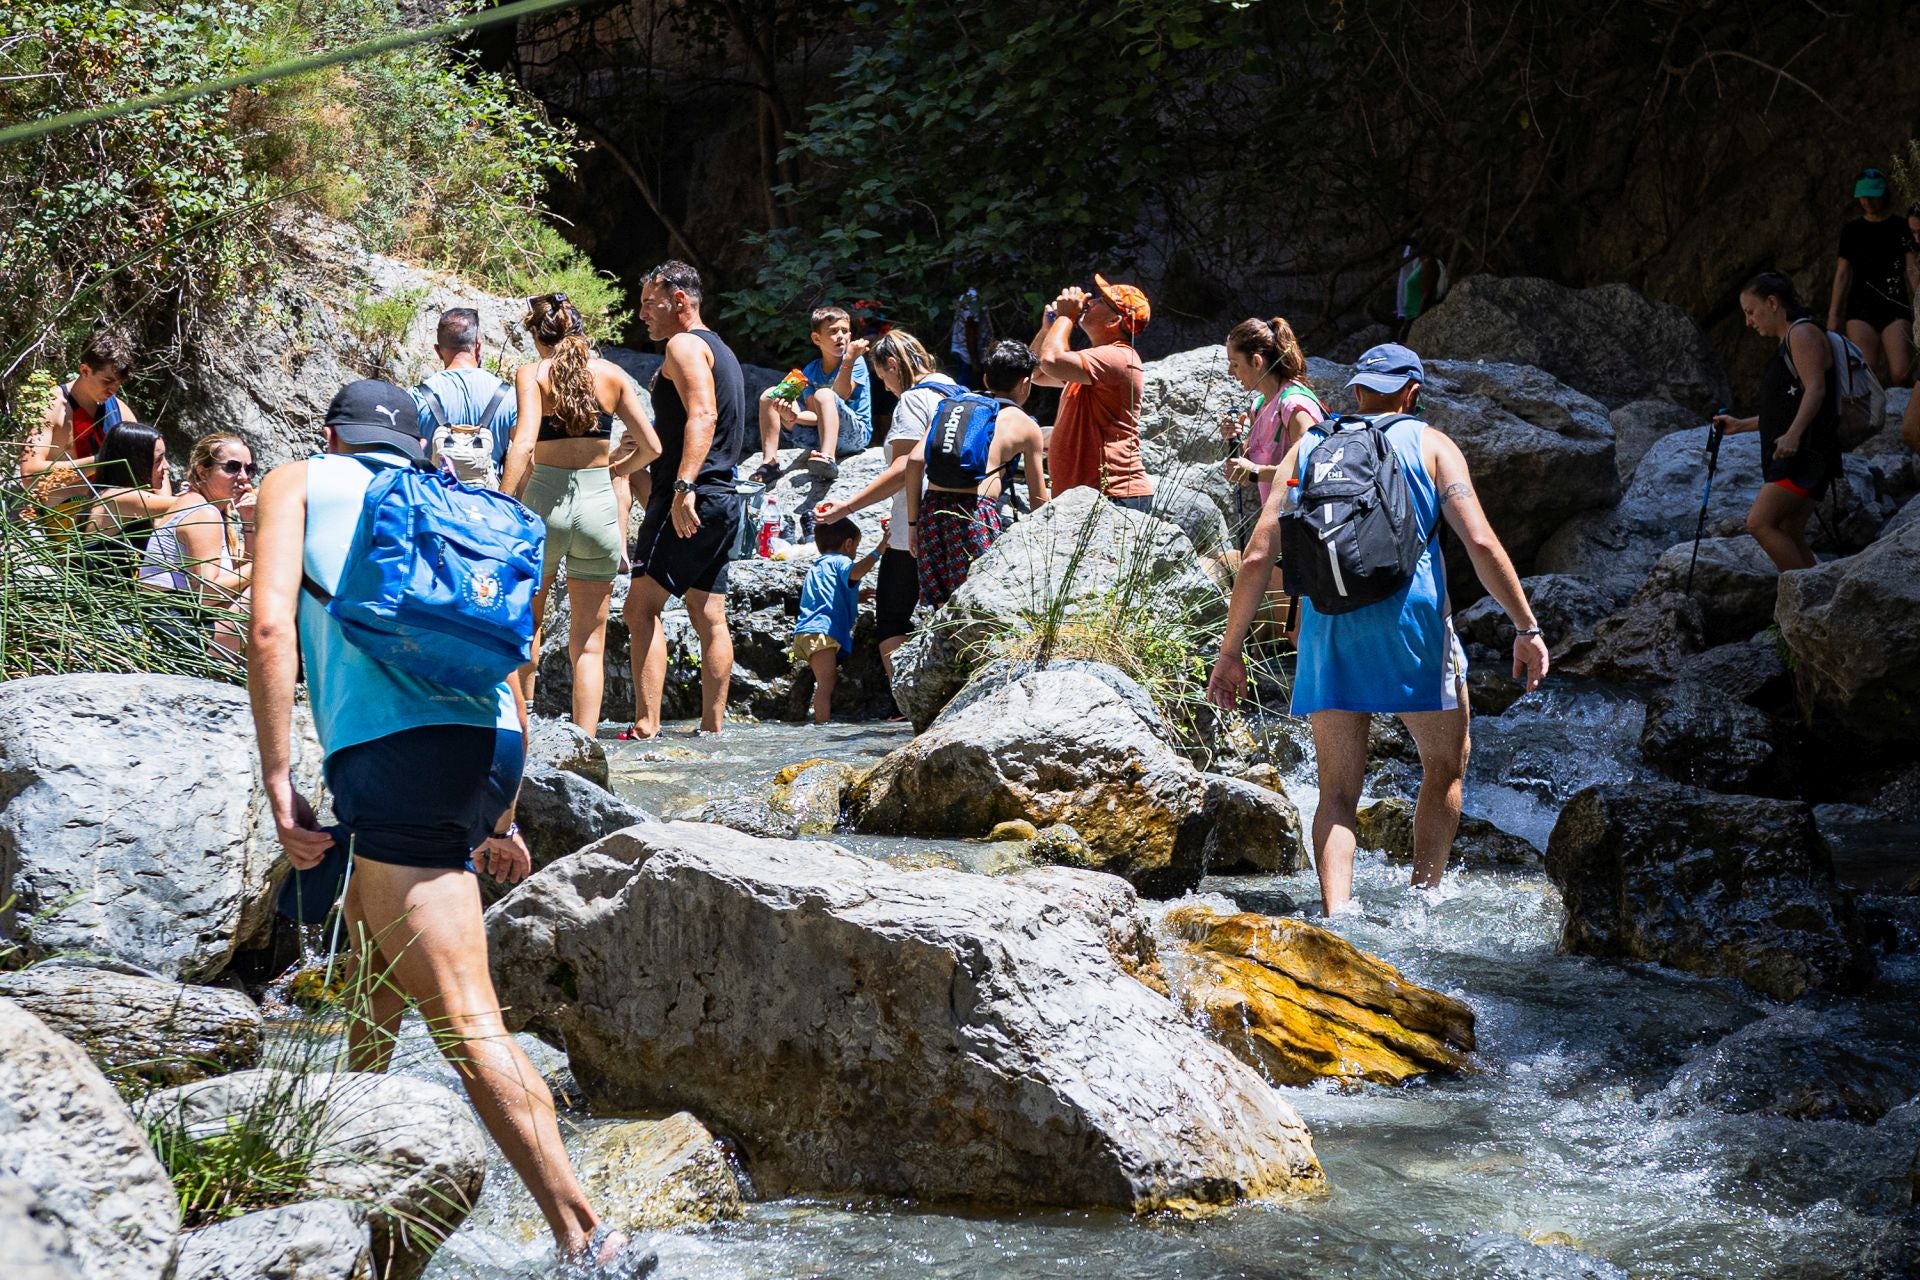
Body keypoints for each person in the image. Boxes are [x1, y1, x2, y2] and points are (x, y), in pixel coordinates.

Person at [245, 379, 645, 1274]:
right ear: (416, 442)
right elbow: (507, 658)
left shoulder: (300, 481)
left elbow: (270, 628)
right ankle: (330, 1175)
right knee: (377, 977)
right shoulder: (454, 499)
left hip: (396, 758)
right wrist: (499, 814)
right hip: (488, 750)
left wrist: (279, 783)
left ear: (330, 434)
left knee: (466, 1021)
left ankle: (589, 1237)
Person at [1206, 343, 1549, 916]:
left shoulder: (1311, 445)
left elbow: (1258, 553)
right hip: (1411, 625)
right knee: (1445, 764)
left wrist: (1230, 653)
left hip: (1327, 624)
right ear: (1413, 392)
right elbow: (1482, 543)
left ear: (1358, 392)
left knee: (1337, 791)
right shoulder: (1433, 445)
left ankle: (1339, 918)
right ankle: (1424, 898)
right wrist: (1526, 627)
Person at [502, 294, 660, 735]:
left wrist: (502, 501)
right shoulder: (612, 376)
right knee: (589, 643)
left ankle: (523, 723)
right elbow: (652, 447)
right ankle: (585, 745)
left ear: (538, 335)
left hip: (542, 508)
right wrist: (616, 469)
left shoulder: (533, 374)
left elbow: (524, 444)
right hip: (598, 512)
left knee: (525, 624)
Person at [620, 260, 748, 740]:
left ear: (679, 302)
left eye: (649, 304)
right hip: (722, 497)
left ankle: (646, 724)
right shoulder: (721, 350)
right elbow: (679, 424)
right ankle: (712, 729)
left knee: (640, 608)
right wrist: (631, 451)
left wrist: (682, 486)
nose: (642, 316)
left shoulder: (684, 344)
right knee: (708, 612)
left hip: (690, 496)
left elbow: (703, 414)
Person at [815, 329, 959, 679]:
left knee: (892, 619)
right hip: (958, 518)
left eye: (883, 378)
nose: (886, 387)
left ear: (893, 365)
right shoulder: (956, 391)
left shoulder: (913, 400)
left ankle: (907, 704)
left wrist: (847, 507)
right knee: (950, 613)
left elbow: (902, 469)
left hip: (914, 524)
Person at [905, 340, 1051, 608]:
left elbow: (914, 461)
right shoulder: (1026, 426)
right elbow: (1038, 498)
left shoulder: (954, 407)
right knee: (976, 605)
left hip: (932, 512)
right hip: (974, 514)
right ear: (1025, 382)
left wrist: (913, 525)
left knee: (940, 608)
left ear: (986, 377)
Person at [1713, 271, 1842, 573]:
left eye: (1751, 312)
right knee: (1788, 528)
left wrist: (1793, 435)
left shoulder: (1802, 333)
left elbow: (1816, 388)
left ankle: (1801, 602)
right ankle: (1822, 597)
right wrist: (1740, 425)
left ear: (1772, 302)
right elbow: (1784, 410)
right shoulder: (1790, 340)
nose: (1749, 322)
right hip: (1801, 450)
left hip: (1805, 453)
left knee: (1759, 522)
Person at [1030, 274, 1152, 511]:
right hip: (1090, 496)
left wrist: (1066, 316)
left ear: (1113, 320)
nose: (1090, 301)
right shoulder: (1094, 363)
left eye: (1099, 300)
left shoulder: (1119, 357)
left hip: (1112, 495)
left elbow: (1051, 360)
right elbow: (1036, 372)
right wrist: (1048, 330)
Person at [139, 433, 257, 654]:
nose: (243, 477)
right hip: (178, 629)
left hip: (174, 620)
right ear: (203, 471)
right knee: (270, 586)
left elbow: (237, 576)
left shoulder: (201, 505)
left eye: (249, 470)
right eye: (232, 467)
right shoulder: (203, 513)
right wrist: (266, 563)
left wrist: (248, 521)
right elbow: (207, 593)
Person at [750, 306, 873, 484]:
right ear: (817, 338)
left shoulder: (855, 361)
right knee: (769, 396)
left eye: (845, 331)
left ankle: (828, 458)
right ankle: (770, 464)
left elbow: (841, 395)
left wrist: (848, 360)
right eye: (833, 331)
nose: (841, 336)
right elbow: (814, 415)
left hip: (854, 435)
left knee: (824, 394)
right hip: (818, 433)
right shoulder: (812, 369)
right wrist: (794, 416)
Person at [1828, 167, 1917, 387]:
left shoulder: (1900, 227)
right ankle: (1875, 419)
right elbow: (1842, 274)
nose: (1867, 201)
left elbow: (1911, 269)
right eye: (1863, 197)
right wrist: (1834, 315)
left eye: (1872, 196)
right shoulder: (1852, 231)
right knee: (1867, 373)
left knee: (1901, 372)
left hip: (1894, 305)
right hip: (1860, 307)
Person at [412, 307, 518, 488]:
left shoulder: (417, 397)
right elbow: (525, 453)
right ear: (478, 346)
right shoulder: (508, 396)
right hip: (487, 504)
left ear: (438, 350)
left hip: (435, 504)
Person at [793, 517, 883, 724]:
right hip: (822, 631)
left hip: (808, 632)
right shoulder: (841, 561)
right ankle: (821, 725)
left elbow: (824, 595)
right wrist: (879, 550)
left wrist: (854, 597)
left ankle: (814, 719)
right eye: (857, 546)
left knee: (823, 680)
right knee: (827, 682)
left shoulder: (818, 566)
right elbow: (856, 572)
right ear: (848, 544)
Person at [20, 328, 137, 484]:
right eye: (107, 382)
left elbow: (152, 462)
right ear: (85, 370)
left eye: (118, 384)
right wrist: (100, 461)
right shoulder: (52, 406)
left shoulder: (121, 411)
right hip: (66, 505)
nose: (113, 390)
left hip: (112, 502)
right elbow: (29, 474)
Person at [81, 421, 175, 586]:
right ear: (136, 462)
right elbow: (189, 504)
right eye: (159, 460)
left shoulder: (107, 494)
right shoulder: (121, 498)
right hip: (106, 602)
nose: (166, 466)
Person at [1393, 232, 1442, 343]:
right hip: (1410, 315)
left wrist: (1418, 321)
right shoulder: (1419, 264)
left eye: (1414, 249)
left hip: (1416, 316)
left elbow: (1426, 293)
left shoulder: (1428, 264)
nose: (1412, 252)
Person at [949, 286, 995, 388]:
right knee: (965, 389)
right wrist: (975, 362)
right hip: (968, 355)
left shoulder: (978, 296)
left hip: (974, 355)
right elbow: (970, 329)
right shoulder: (972, 298)